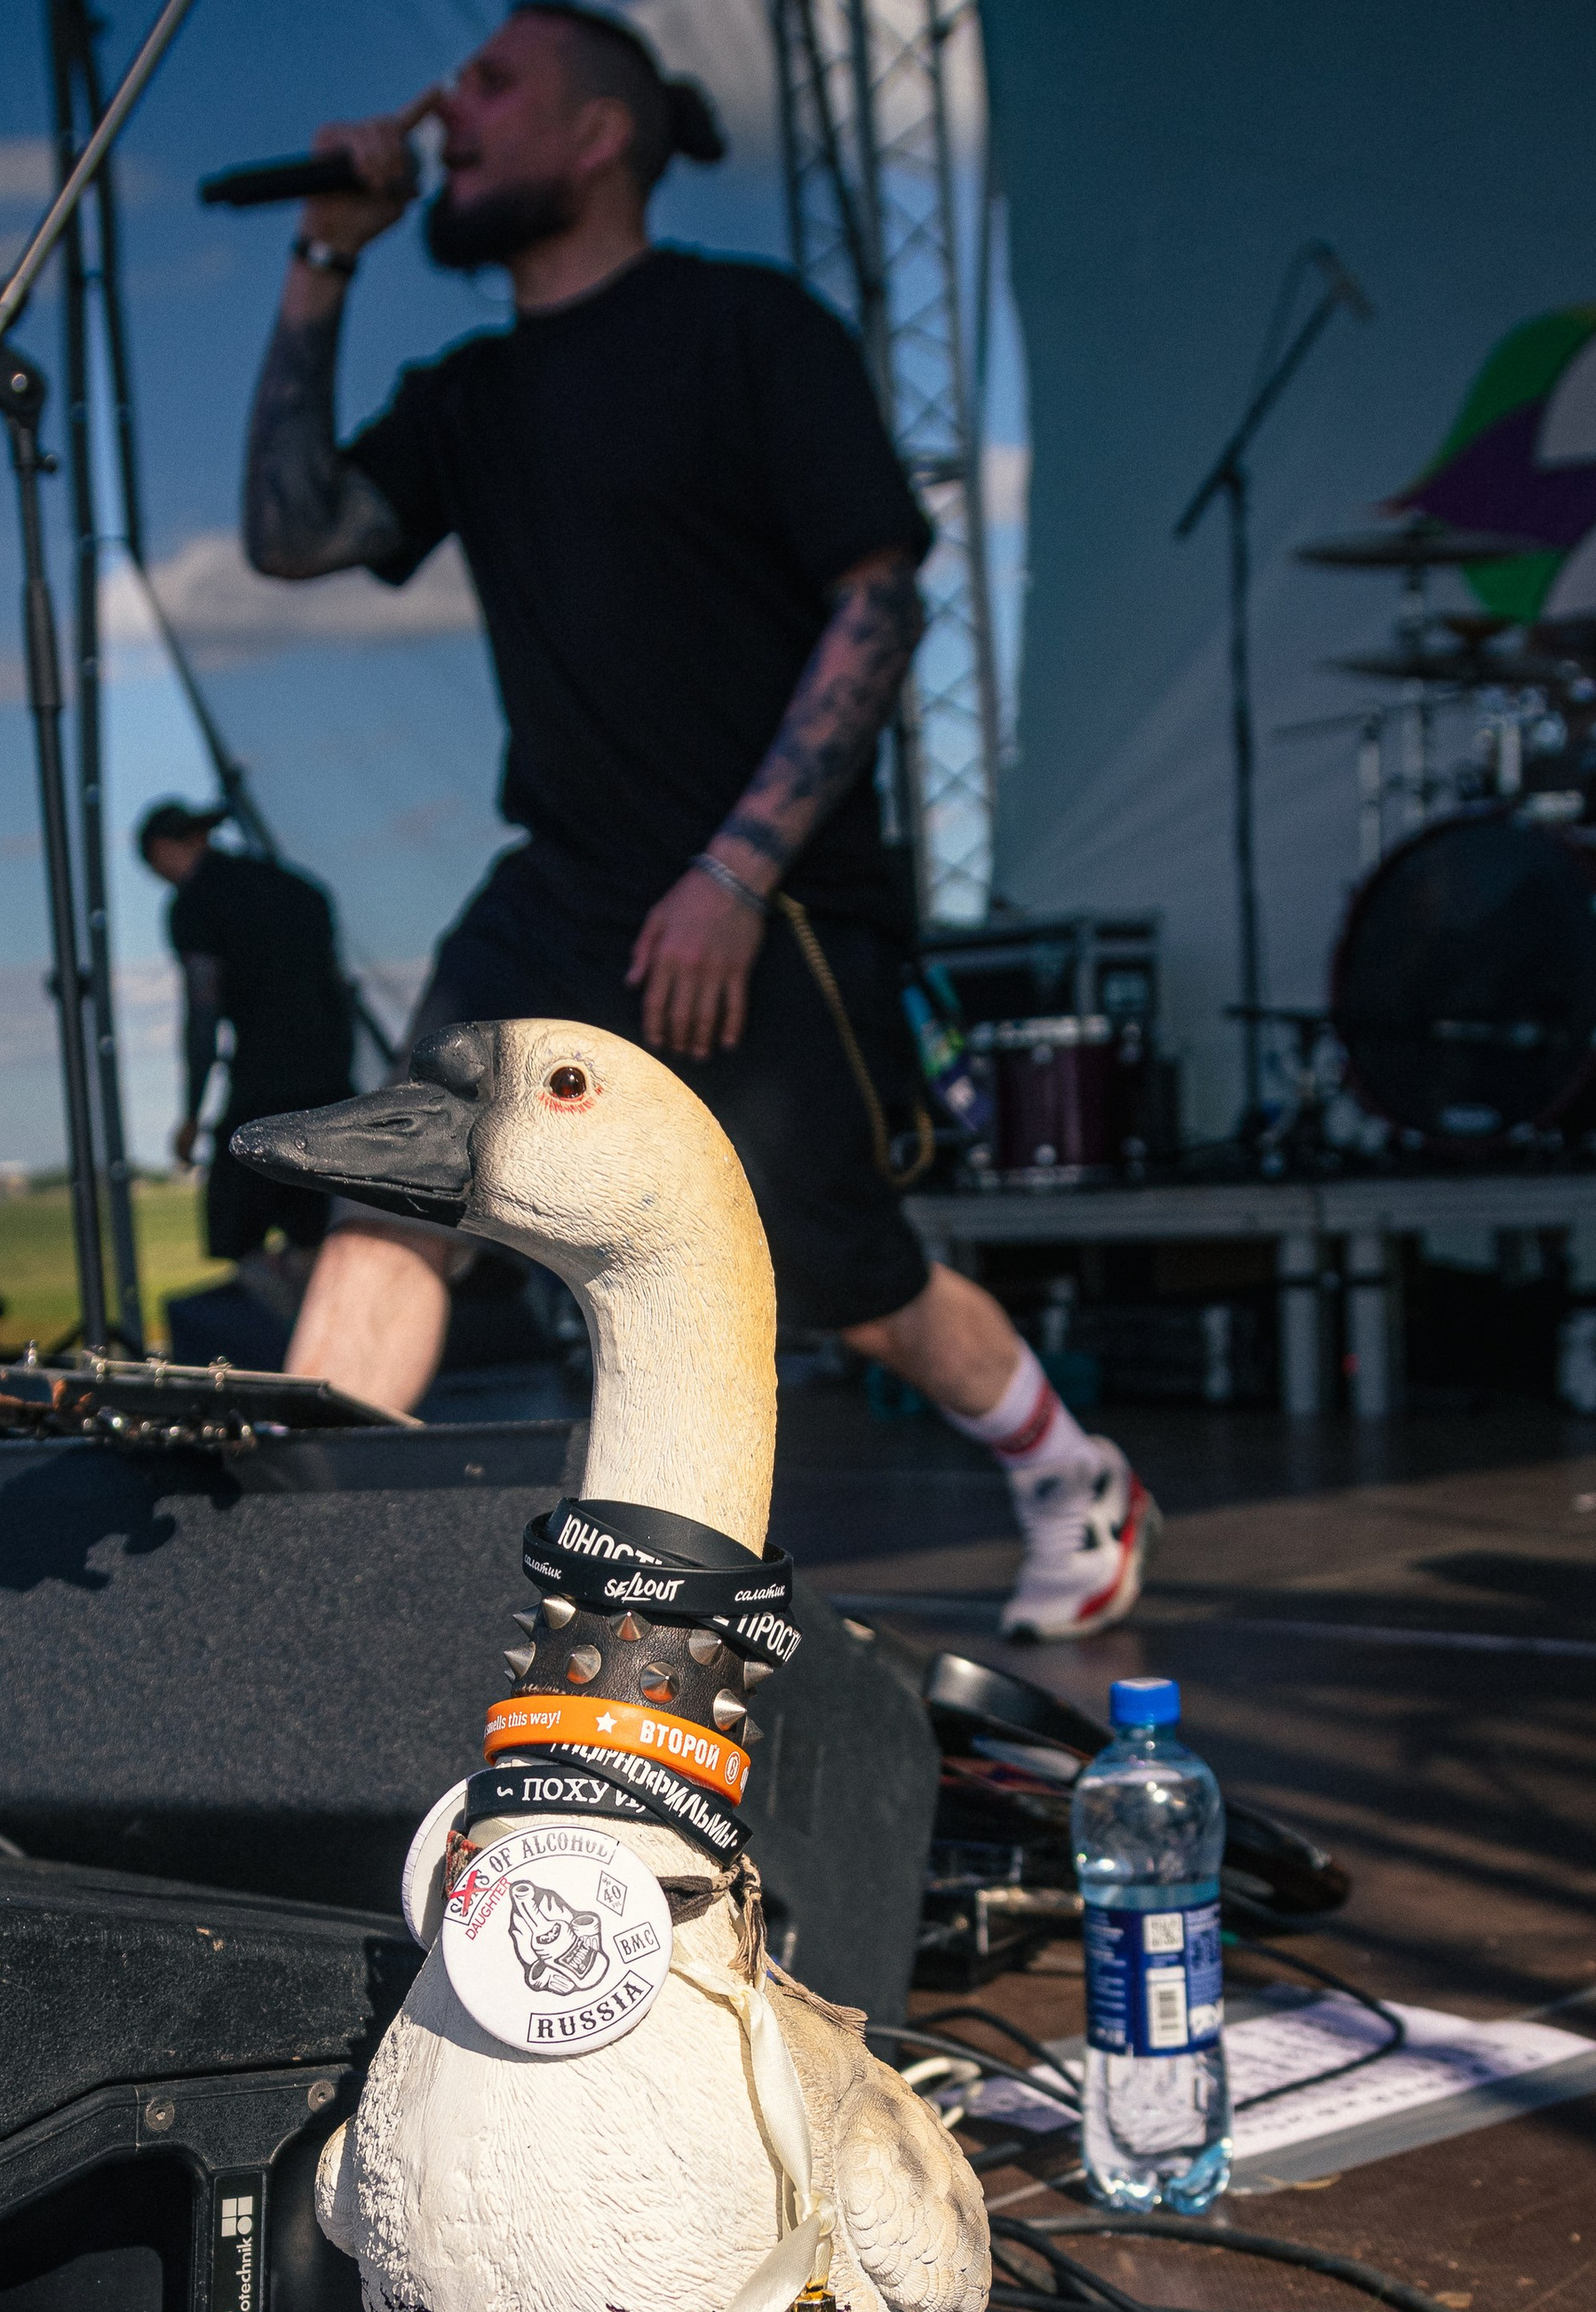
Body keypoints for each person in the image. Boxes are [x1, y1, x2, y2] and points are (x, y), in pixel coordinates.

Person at [240, 4, 1155, 1640]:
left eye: (494, 82)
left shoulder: (750, 332)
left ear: (602, 136)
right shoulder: (467, 396)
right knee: (399, 1199)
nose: (448, 106)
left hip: (764, 892)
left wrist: (736, 869)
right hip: (560, 887)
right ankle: (305, 1616)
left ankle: (1067, 1469)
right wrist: (323, 257)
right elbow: (295, 535)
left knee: (847, 1284)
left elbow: (878, 605)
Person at [135, 799, 353, 1275]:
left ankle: (289, 1340)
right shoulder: (300, 889)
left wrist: (191, 1114)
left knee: (235, 1230)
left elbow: (203, 1012)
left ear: (161, 849)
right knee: (316, 1230)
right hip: (332, 1082)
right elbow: (337, 990)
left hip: (264, 1088)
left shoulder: (195, 902)